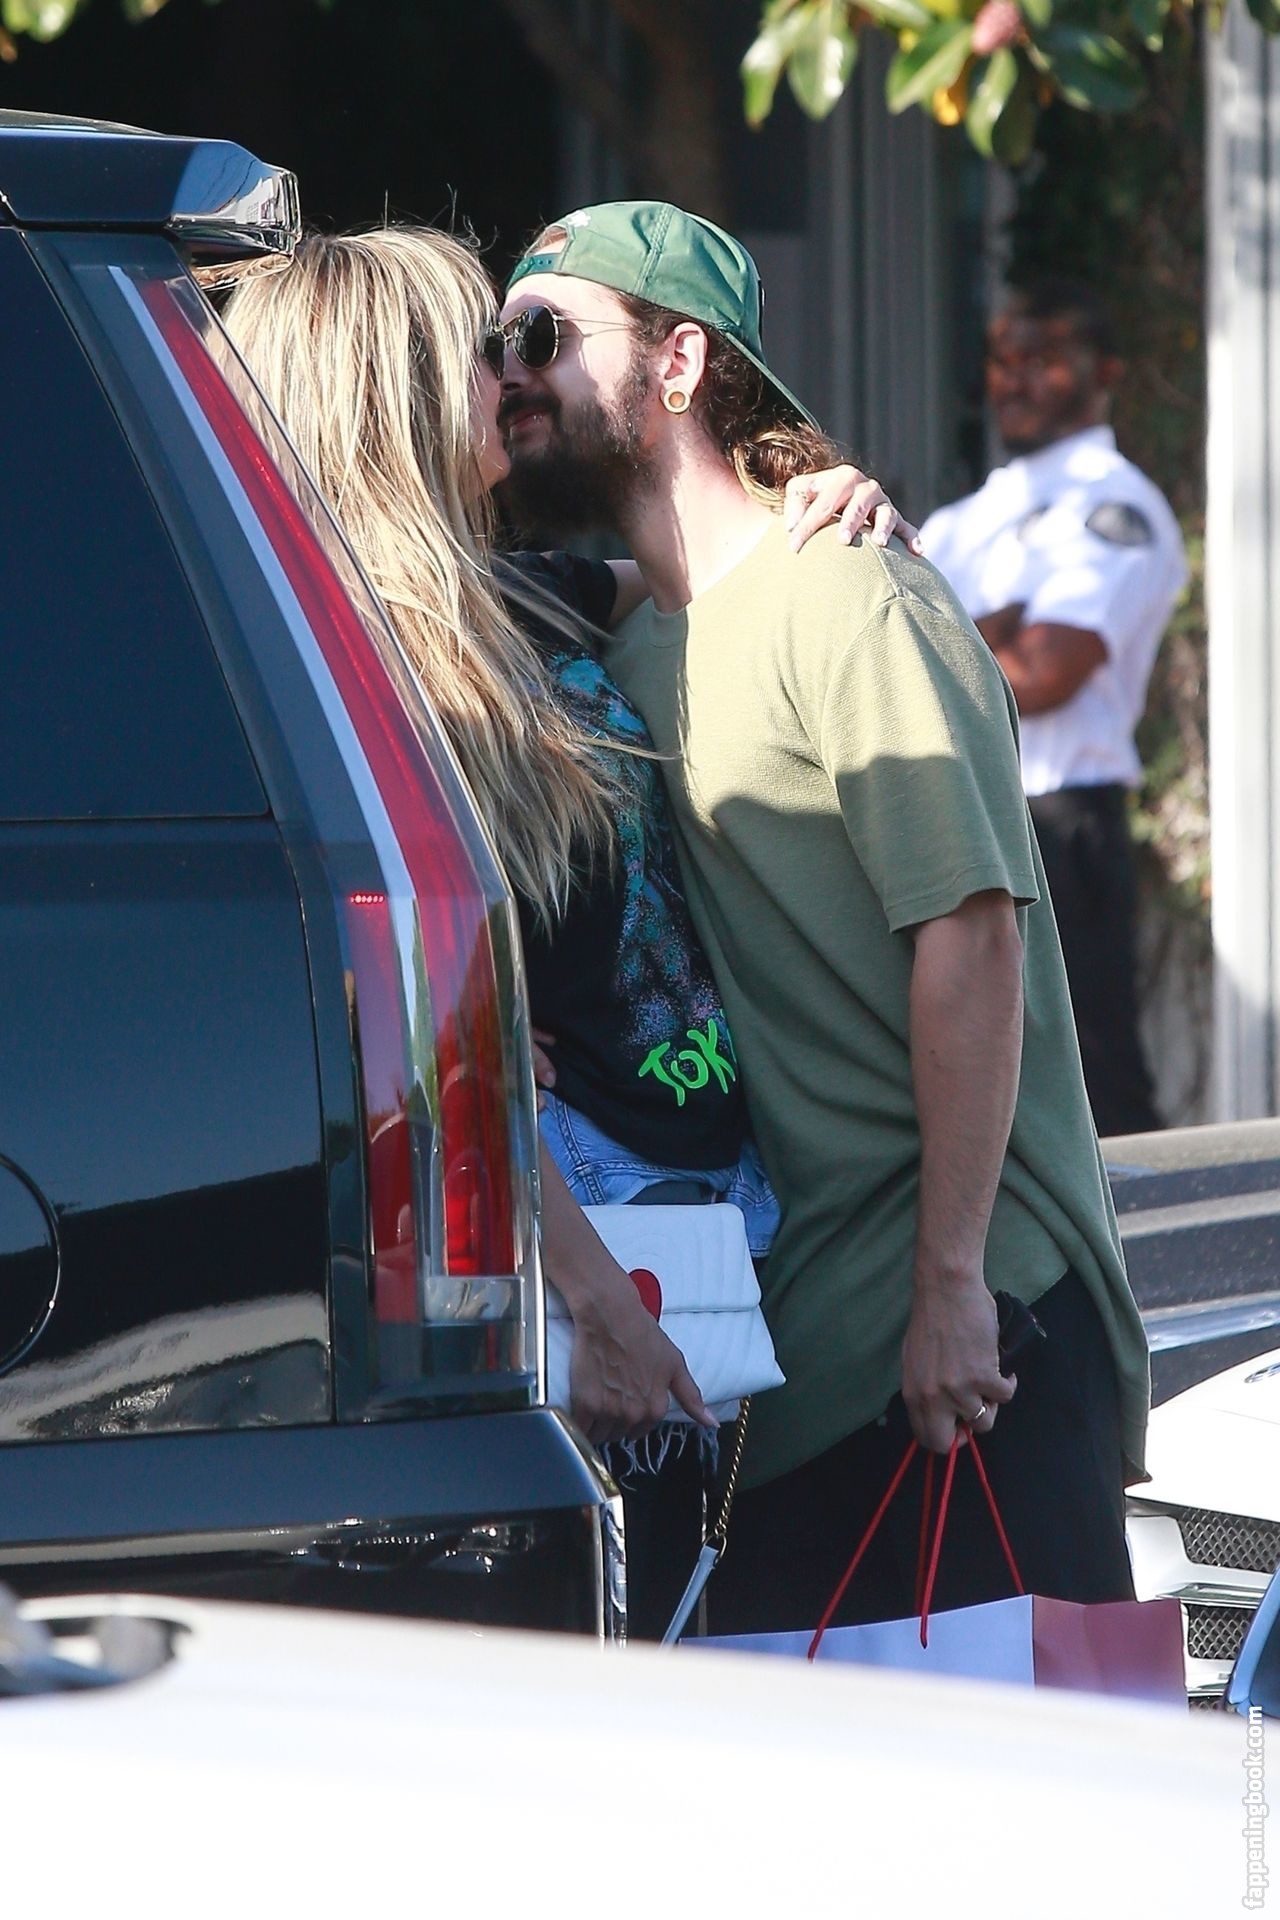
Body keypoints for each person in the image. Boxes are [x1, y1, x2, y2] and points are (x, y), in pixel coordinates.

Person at [223, 225, 905, 1636]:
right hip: (585, 1247)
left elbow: (695, 574)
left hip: (689, 1212)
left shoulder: (507, 599)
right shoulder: (355, 670)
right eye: (480, 348)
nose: (509, 374)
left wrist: (812, 490)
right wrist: (594, 1300)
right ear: (390, 391)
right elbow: (425, 1039)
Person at [498, 201, 1151, 1634]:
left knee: (1033, 1768)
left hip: (967, 1335)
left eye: (544, 335)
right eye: (498, 346)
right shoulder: (632, 640)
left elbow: (970, 938)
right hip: (798, 1357)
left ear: (678, 364)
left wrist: (952, 1284)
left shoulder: (850, 596)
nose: (511, 372)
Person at [920, 280, 1188, 1138]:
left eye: (1044, 360)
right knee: (963, 1080)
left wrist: (950, 639)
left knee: (1091, 1086)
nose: (1017, 380)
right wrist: (991, 630)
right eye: (1004, 360)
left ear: (1103, 373)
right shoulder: (964, 518)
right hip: (956, 814)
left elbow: (1043, 676)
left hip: (1060, 825)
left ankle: (1145, 1230)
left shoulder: (1115, 505)